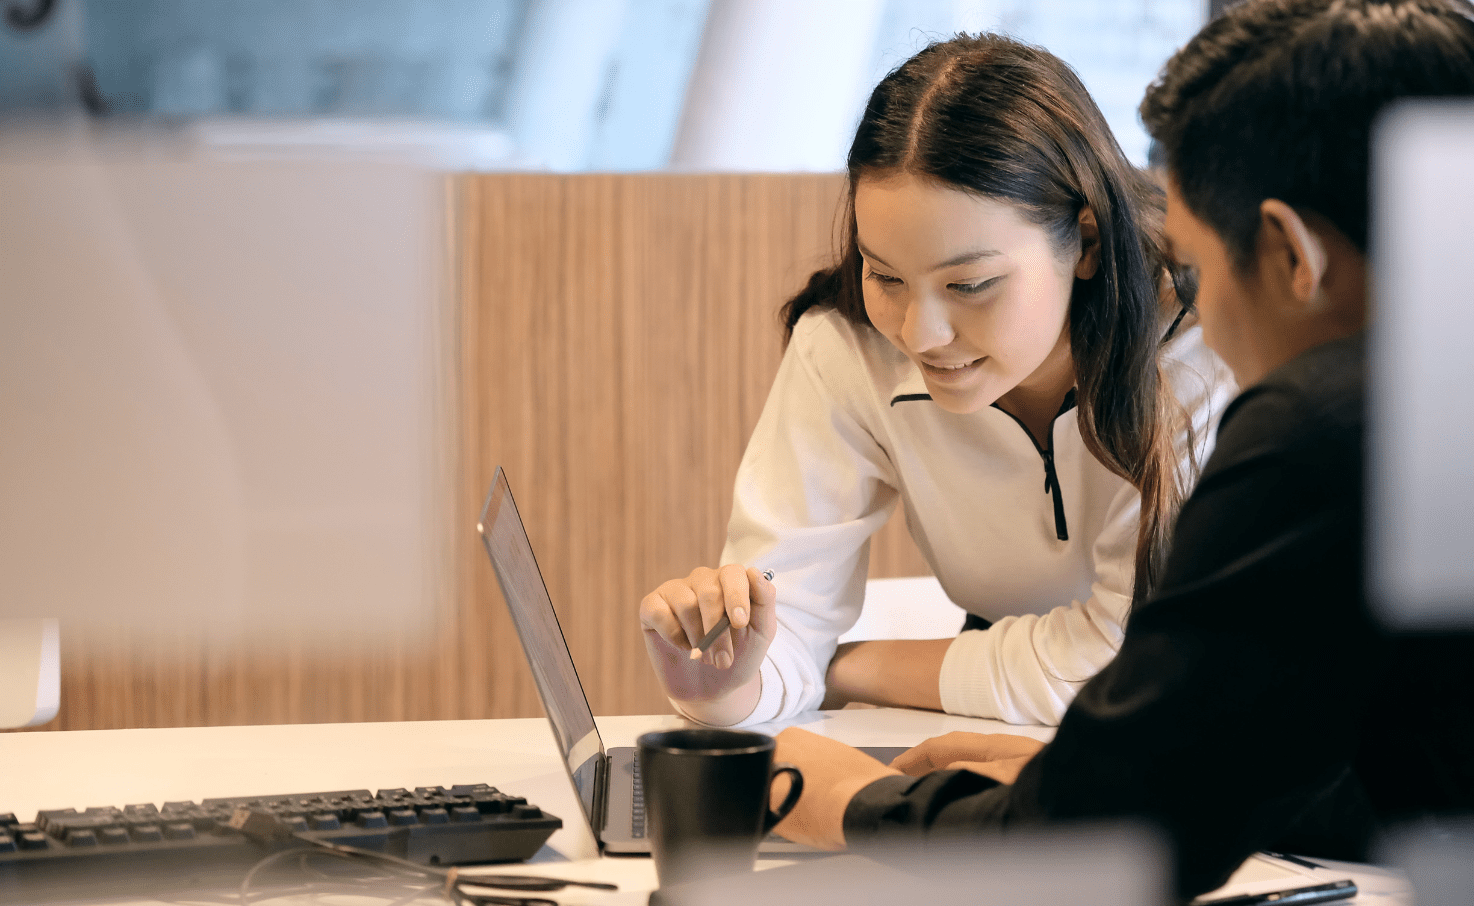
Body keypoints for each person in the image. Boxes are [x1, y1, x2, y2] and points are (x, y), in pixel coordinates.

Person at [767, 0, 1474, 898]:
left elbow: (1111, 851)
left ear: (1293, 255)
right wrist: (1070, 777)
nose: (1197, 315)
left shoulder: (1326, 431)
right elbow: (1415, 782)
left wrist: (854, 804)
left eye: (1196, 268)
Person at [638, 34, 1236, 729]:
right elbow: (781, 627)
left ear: (1087, 243)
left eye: (971, 284)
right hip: (1001, 743)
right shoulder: (847, 350)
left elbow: (1128, 663)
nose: (920, 334)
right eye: (885, 275)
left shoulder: (1200, 352)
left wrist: (847, 667)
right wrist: (725, 683)